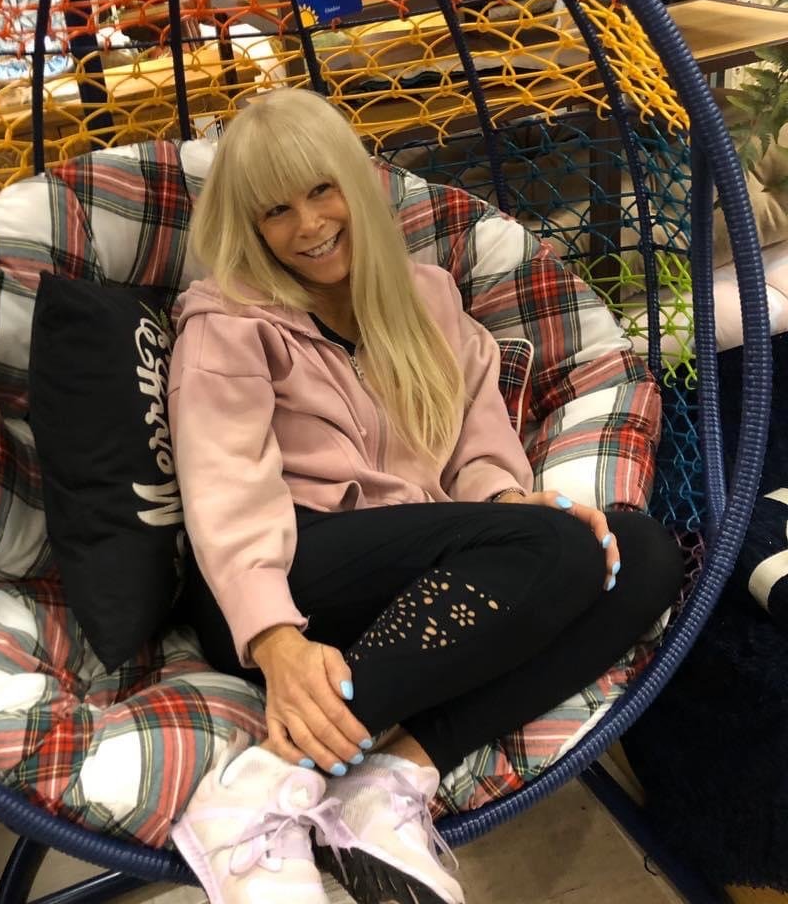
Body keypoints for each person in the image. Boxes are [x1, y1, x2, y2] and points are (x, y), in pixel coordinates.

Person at [167, 88, 683, 904]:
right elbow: (225, 486)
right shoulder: (228, 321)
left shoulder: (427, 296)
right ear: (249, 226)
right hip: (280, 573)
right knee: (559, 549)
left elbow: (477, 436)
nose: (308, 225)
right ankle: (254, 787)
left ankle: (391, 777)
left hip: (418, 576)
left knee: (640, 554)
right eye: (275, 210)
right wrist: (275, 639)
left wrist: (506, 502)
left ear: (358, 184)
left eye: (321, 190)